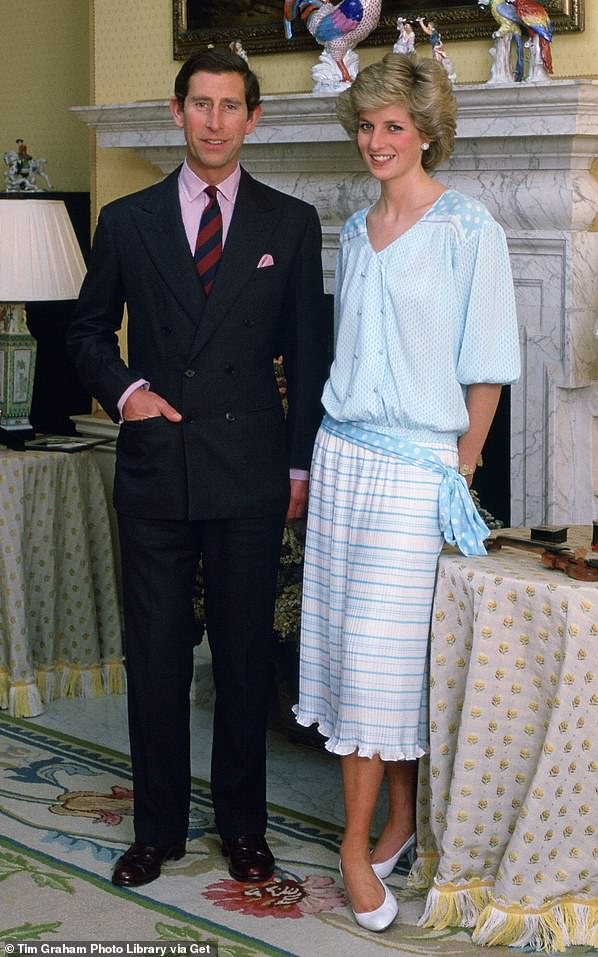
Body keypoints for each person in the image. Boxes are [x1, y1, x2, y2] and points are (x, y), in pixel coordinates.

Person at [67, 47, 328, 888]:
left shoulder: (290, 224)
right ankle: (158, 829)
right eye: (200, 104)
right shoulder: (128, 219)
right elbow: (82, 332)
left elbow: (309, 359)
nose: (214, 120)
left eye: (230, 106)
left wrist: (299, 470)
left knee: (248, 657)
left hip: (251, 474)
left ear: (253, 119)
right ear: (176, 112)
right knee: (157, 657)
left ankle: (244, 829)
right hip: (157, 467)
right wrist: (128, 390)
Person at [294, 52, 520, 932]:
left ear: (427, 131)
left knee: (379, 667)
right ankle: (396, 824)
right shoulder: (352, 230)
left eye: (394, 125)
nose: (378, 140)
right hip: (342, 455)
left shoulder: (472, 230)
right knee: (361, 656)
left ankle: (353, 849)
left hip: (415, 470)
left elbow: (490, 370)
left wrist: (458, 471)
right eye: (367, 125)